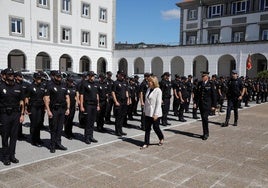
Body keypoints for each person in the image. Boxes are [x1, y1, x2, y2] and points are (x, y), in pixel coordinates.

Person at [0, 68, 25, 165]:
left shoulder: (18, 87)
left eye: (12, 74)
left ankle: (12, 155)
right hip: (4, 114)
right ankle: (5, 157)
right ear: (5, 75)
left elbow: (22, 102)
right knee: (5, 136)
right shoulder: (1, 86)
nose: (11, 76)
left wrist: (22, 114)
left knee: (14, 136)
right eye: (9, 74)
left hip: (16, 114)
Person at [44, 70, 70, 153]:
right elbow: (46, 99)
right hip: (54, 109)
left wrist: (68, 108)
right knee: (53, 128)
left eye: (60, 76)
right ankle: (52, 145)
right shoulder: (50, 85)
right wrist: (48, 110)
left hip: (62, 109)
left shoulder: (63, 85)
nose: (59, 77)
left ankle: (58, 143)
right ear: (54, 76)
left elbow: (67, 97)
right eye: (57, 76)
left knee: (60, 127)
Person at [141, 75, 164, 149]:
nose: (149, 83)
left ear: (154, 82)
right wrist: (144, 111)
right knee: (147, 128)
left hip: (155, 113)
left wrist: (156, 114)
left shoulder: (158, 90)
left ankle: (161, 137)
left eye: (150, 81)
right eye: (148, 81)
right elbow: (146, 102)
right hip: (148, 112)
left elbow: (158, 103)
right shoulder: (148, 89)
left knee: (156, 127)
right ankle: (146, 143)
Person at [193, 71, 217, 140]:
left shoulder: (211, 84)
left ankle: (206, 133)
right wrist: (195, 103)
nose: (202, 77)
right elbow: (197, 94)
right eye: (202, 76)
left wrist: (214, 106)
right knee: (203, 119)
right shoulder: (200, 83)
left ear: (207, 77)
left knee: (205, 118)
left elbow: (214, 95)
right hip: (201, 104)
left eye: (203, 76)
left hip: (207, 104)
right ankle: (205, 133)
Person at [25, 72, 46, 147]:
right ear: (34, 79)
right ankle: (34, 140)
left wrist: (46, 106)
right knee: (34, 123)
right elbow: (26, 98)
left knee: (39, 123)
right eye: (38, 78)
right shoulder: (30, 87)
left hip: (40, 107)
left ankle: (38, 138)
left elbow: (44, 97)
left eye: (40, 78)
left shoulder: (42, 86)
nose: (39, 79)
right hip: (33, 107)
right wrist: (27, 108)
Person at [80, 71, 99, 144]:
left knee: (92, 121)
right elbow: (81, 95)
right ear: (88, 76)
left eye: (93, 76)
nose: (93, 77)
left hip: (94, 105)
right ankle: (86, 137)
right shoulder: (84, 84)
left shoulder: (95, 84)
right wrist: (81, 105)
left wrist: (98, 105)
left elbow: (97, 95)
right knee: (87, 121)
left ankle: (91, 136)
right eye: (91, 76)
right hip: (88, 105)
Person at [112, 70, 130, 136]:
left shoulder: (125, 82)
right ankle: (117, 131)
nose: (122, 76)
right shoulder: (115, 82)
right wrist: (115, 101)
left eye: (123, 75)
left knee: (122, 116)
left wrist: (128, 100)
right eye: (121, 75)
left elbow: (126, 91)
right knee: (118, 117)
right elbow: (113, 92)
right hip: (118, 101)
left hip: (124, 101)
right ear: (118, 75)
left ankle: (121, 130)